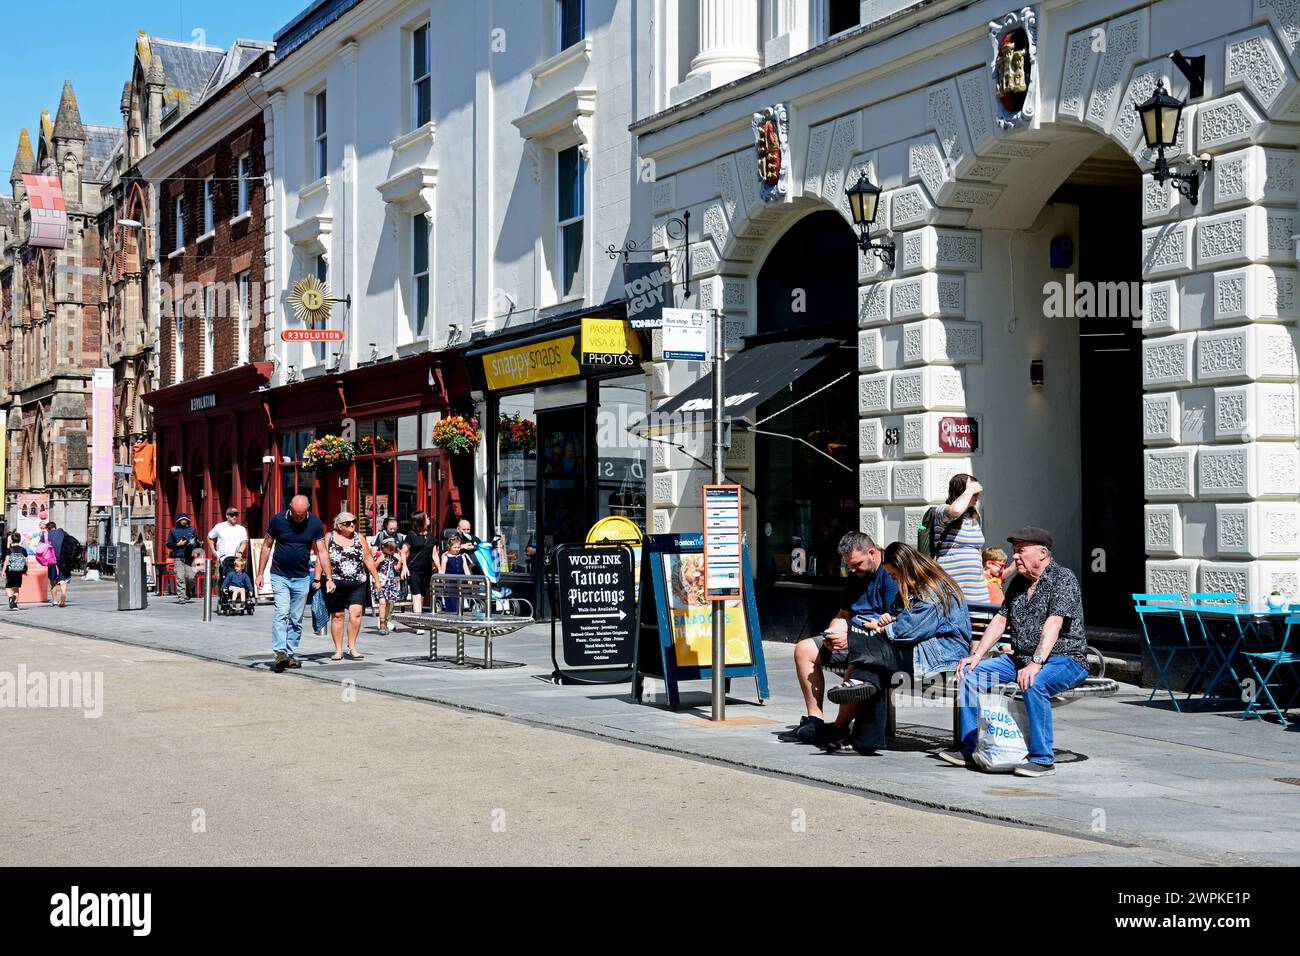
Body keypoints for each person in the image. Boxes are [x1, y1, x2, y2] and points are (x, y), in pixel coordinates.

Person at [940, 526, 1088, 778]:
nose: (1015, 557)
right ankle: (970, 749)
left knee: (1034, 684)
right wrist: (977, 655)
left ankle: (1042, 759)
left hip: (1065, 659)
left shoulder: (1063, 578)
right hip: (1019, 657)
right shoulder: (1019, 582)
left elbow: (1055, 623)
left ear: (1042, 553)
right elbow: (1000, 620)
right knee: (971, 674)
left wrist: (1037, 663)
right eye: (1014, 551)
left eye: (1021, 551)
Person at [821, 542, 972, 754]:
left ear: (904, 568)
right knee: (873, 670)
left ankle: (862, 735)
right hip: (921, 649)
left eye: (893, 575)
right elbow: (906, 622)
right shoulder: (920, 584)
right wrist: (889, 618)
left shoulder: (932, 589)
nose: (892, 579)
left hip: (940, 656)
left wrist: (882, 627)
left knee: (873, 662)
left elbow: (907, 630)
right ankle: (863, 733)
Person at [786, 531, 899, 744]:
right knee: (804, 649)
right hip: (849, 634)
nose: (853, 570)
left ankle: (838, 728)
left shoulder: (889, 574)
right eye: (849, 565)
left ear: (872, 553)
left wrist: (852, 636)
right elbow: (844, 614)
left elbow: (893, 619)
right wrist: (832, 633)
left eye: (857, 564)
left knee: (857, 661)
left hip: (873, 640)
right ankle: (815, 720)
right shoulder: (855, 576)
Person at [256, 495, 332, 673]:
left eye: (301, 514)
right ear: (290, 507)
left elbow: (322, 551)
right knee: (282, 612)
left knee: (296, 619)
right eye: (295, 514)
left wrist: (329, 577)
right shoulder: (278, 520)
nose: (298, 518)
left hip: (301, 577)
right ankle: (280, 652)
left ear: (308, 509)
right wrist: (260, 573)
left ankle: (289, 654)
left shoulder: (314, 523)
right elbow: (267, 545)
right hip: (280, 575)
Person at [318, 511, 381, 660]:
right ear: (339, 526)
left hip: (357, 582)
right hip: (336, 582)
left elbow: (368, 559)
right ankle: (338, 650)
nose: (352, 524)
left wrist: (376, 579)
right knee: (338, 615)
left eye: (354, 521)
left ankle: (352, 647)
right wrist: (317, 580)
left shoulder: (360, 538)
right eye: (348, 523)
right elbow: (322, 558)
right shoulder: (330, 537)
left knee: (356, 613)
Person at [928, 474, 990, 604]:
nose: (977, 496)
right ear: (961, 492)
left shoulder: (973, 518)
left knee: (980, 622)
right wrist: (969, 491)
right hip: (952, 586)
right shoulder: (942, 511)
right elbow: (955, 511)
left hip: (976, 590)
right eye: (973, 492)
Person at [402, 511, 440, 613]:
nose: (429, 519)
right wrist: (404, 567)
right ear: (420, 520)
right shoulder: (411, 535)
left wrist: (440, 569)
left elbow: (434, 554)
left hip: (426, 570)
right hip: (413, 570)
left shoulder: (431, 536)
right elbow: (403, 551)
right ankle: (418, 625)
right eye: (426, 517)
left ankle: (418, 619)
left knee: (422, 596)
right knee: (417, 596)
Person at [371, 537, 405, 635]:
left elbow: (397, 569)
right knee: (382, 602)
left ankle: (385, 623)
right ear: (383, 547)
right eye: (389, 549)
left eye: (393, 549)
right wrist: (378, 561)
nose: (391, 551)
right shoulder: (377, 555)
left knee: (388, 604)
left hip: (391, 582)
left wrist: (399, 561)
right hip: (380, 582)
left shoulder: (393, 556)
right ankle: (381, 625)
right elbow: (371, 567)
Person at [208, 508, 250, 583]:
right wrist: (214, 551)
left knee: (236, 583)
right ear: (227, 516)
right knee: (219, 582)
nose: (234, 517)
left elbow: (244, 542)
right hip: (221, 560)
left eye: (236, 515)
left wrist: (240, 552)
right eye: (232, 515)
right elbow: (209, 537)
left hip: (235, 561)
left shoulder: (241, 529)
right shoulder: (219, 526)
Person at [166, 513, 201, 604]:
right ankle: (182, 597)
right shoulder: (173, 531)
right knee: (180, 578)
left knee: (191, 578)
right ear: (178, 521)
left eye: (185, 519)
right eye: (182, 519)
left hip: (190, 557)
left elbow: (197, 542)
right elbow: (168, 544)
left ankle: (187, 592)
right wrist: (178, 544)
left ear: (188, 520)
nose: (184, 521)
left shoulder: (192, 530)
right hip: (178, 557)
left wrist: (198, 546)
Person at [439, 531, 471, 612]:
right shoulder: (446, 557)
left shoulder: (462, 557)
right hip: (450, 584)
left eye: (458, 547)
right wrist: (443, 582)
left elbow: (466, 569)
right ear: (449, 547)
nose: (457, 550)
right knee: (451, 604)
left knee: (459, 604)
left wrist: (469, 578)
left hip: (460, 584)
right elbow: (442, 571)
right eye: (455, 547)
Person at [42, 521, 71, 608]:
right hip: (63, 560)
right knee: (63, 580)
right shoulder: (63, 533)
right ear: (55, 527)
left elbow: (41, 548)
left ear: (47, 528)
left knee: (53, 581)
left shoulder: (46, 535)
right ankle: (63, 594)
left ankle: (54, 601)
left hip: (52, 560)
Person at [6, 531, 28, 609]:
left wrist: (3, 571)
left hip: (10, 571)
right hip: (19, 571)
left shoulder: (9, 550)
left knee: (8, 587)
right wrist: (25, 570)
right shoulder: (23, 550)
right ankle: (14, 605)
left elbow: (7, 560)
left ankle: (11, 597)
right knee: (16, 588)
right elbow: (26, 561)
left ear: (12, 540)